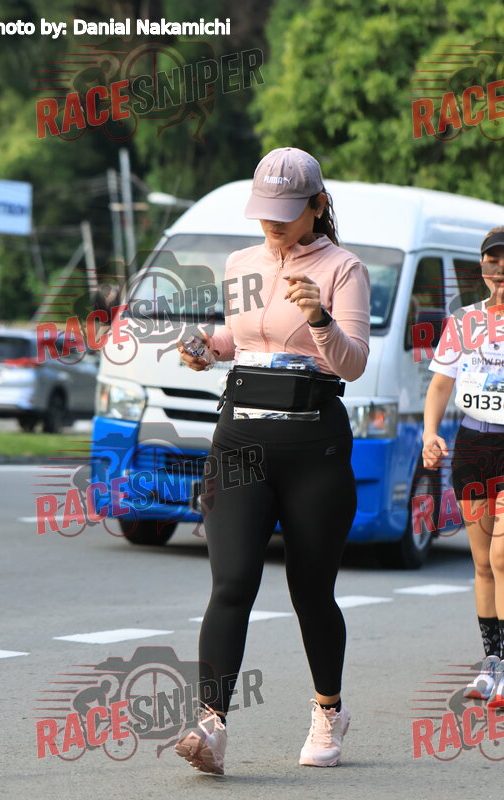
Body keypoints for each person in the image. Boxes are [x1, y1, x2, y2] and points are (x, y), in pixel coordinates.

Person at [174, 146, 371, 775]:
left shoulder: (344, 268)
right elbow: (241, 338)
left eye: (287, 212)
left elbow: (352, 364)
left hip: (314, 446)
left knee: (311, 592)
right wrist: (205, 347)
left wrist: (319, 316)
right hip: (239, 441)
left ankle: (328, 711)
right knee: (232, 582)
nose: (274, 223)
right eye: (266, 211)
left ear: (317, 205)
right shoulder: (241, 263)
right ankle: (211, 725)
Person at [422, 225, 504, 704]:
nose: (500, 270)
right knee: (482, 563)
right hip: (472, 444)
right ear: (483, 268)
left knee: (501, 556)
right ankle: (491, 663)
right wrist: (430, 433)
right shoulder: (464, 321)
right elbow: (439, 385)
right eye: (493, 262)